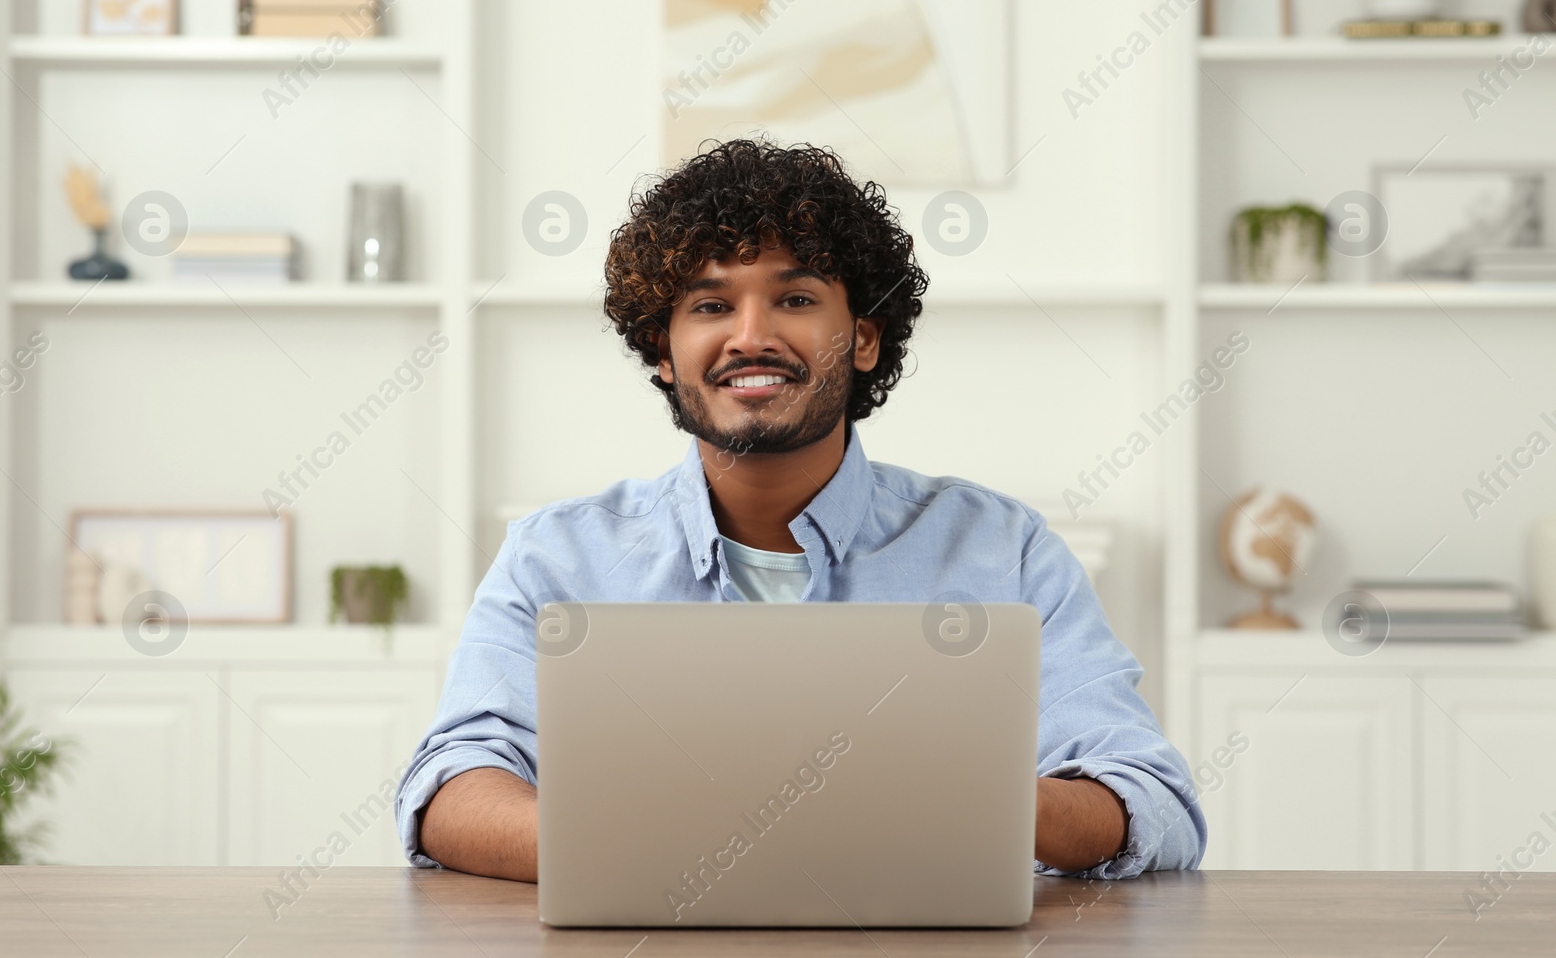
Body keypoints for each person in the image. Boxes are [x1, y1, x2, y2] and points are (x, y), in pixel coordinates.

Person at [394, 138, 1206, 882]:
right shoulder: (555, 558)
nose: (751, 335)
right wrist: (658, 849)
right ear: (664, 351)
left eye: (795, 298)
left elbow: (1152, 801)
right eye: (710, 306)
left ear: (862, 338)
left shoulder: (1004, 550)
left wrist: (970, 796)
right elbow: (449, 790)